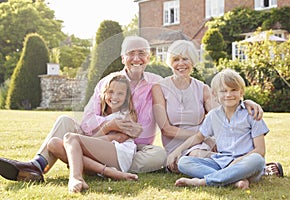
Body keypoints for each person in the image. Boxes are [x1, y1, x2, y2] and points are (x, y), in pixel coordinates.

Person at [0, 36, 167, 182]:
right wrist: (110, 126)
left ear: (149, 57)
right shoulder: (107, 82)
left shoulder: (158, 83)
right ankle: (38, 165)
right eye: (131, 53)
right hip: (97, 139)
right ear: (123, 58)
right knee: (64, 121)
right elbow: (87, 120)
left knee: (159, 155)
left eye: (141, 53)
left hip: (134, 148)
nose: (136, 58)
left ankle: (83, 161)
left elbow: (168, 118)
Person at [152, 40, 283, 177]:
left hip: (203, 143)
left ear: (193, 62)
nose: (181, 63)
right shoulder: (159, 87)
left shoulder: (202, 88)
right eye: (176, 59)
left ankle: (236, 173)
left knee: (203, 156)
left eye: (185, 59)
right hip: (177, 144)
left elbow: (225, 109)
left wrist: (247, 102)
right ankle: (250, 172)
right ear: (170, 62)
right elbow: (166, 129)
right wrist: (205, 137)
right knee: (194, 158)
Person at [168, 68, 269, 189]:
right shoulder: (213, 115)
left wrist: (235, 164)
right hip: (221, 162)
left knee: (257, 160)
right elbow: (199, 137)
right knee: (184, 162)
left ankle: (204, 181)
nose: (228, 95)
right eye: (223, 91)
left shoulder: (252, 114)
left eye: (234, 90)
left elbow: (260, 150)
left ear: (241, 92)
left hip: (245, 164)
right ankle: (233, 181)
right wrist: (177, 150)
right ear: (215, 94)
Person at [63, 74, 138, 193]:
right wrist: (105, 131)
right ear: (104, 93)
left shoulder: (126, 115)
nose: (114, 97)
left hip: (120, 154)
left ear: (126, 96)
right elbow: (95, 139)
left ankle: (76, 178)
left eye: (120, 93)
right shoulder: (102, 116)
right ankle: (108, 172)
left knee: (69, 138)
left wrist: (88, 142)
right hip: (104, 152)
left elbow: (120, 137)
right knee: (54, 144)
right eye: (111, 92)